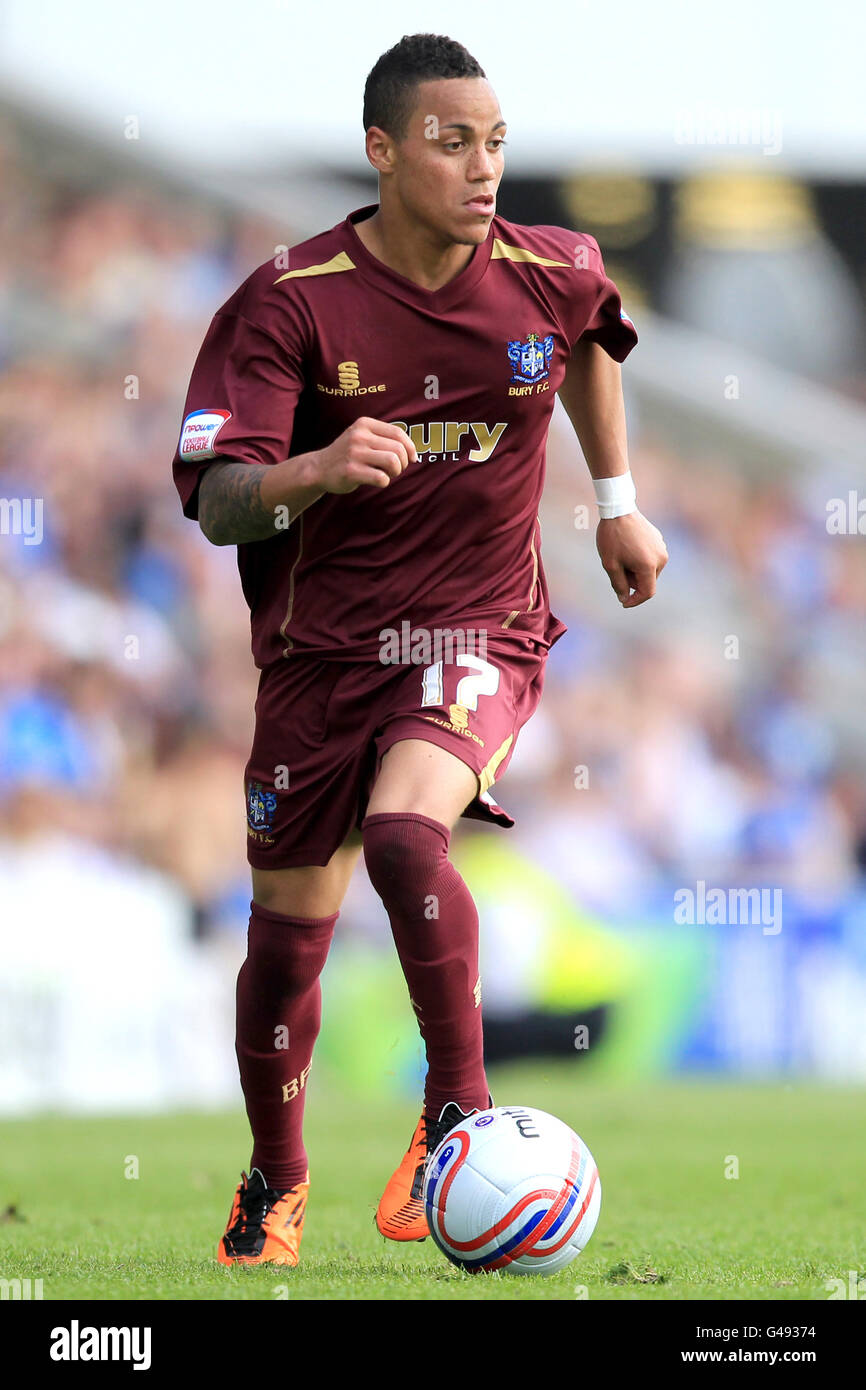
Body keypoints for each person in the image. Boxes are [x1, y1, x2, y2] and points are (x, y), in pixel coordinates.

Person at [171, 32, 668, 1266]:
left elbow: (591, 343)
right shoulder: (291, 300)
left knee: (405, 832)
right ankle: (275, 1180)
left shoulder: (548, 270)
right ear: (383, 151)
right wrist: (318, 468)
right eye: (451, 142)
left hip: (477, 628)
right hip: (319, 657)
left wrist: (612, 501)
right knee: (284, 946)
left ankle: (455, 1103)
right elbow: (218, 497)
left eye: (495, 142)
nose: (482, 167)